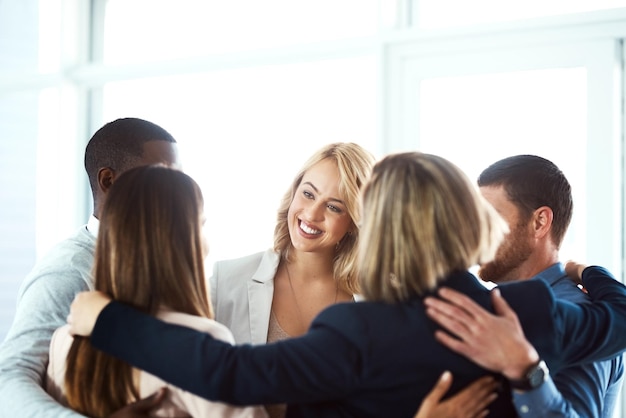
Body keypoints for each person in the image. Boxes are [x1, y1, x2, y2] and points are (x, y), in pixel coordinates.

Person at [67, 151, 626, 418]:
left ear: (371, 227)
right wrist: (588, 274)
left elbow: (229, 374)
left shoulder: (356, 330)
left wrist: (107, 319)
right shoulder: (527, 313)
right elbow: (619, 321)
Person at [45, 165, 266, 418]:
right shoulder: (202, 341)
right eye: (201, 225)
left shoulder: (64, 341)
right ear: (183, 241)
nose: (206, 244)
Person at [0, 117, 180, 418]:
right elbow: (9, 378)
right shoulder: (68, 272)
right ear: (108, 181)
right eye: (161, 178)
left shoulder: (164, 266)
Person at [475, 155, 623, 417]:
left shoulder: (574, 312)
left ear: (540, 222)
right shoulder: (496, 307)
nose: (477, 233)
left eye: (490, 218)